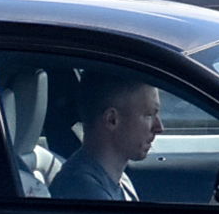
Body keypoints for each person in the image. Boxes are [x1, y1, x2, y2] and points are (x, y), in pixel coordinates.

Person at [49, 71, 160, 201]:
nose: (159, 128)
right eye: (148, 115)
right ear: (112, 119)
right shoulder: (83, 192)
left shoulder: (118, 180)